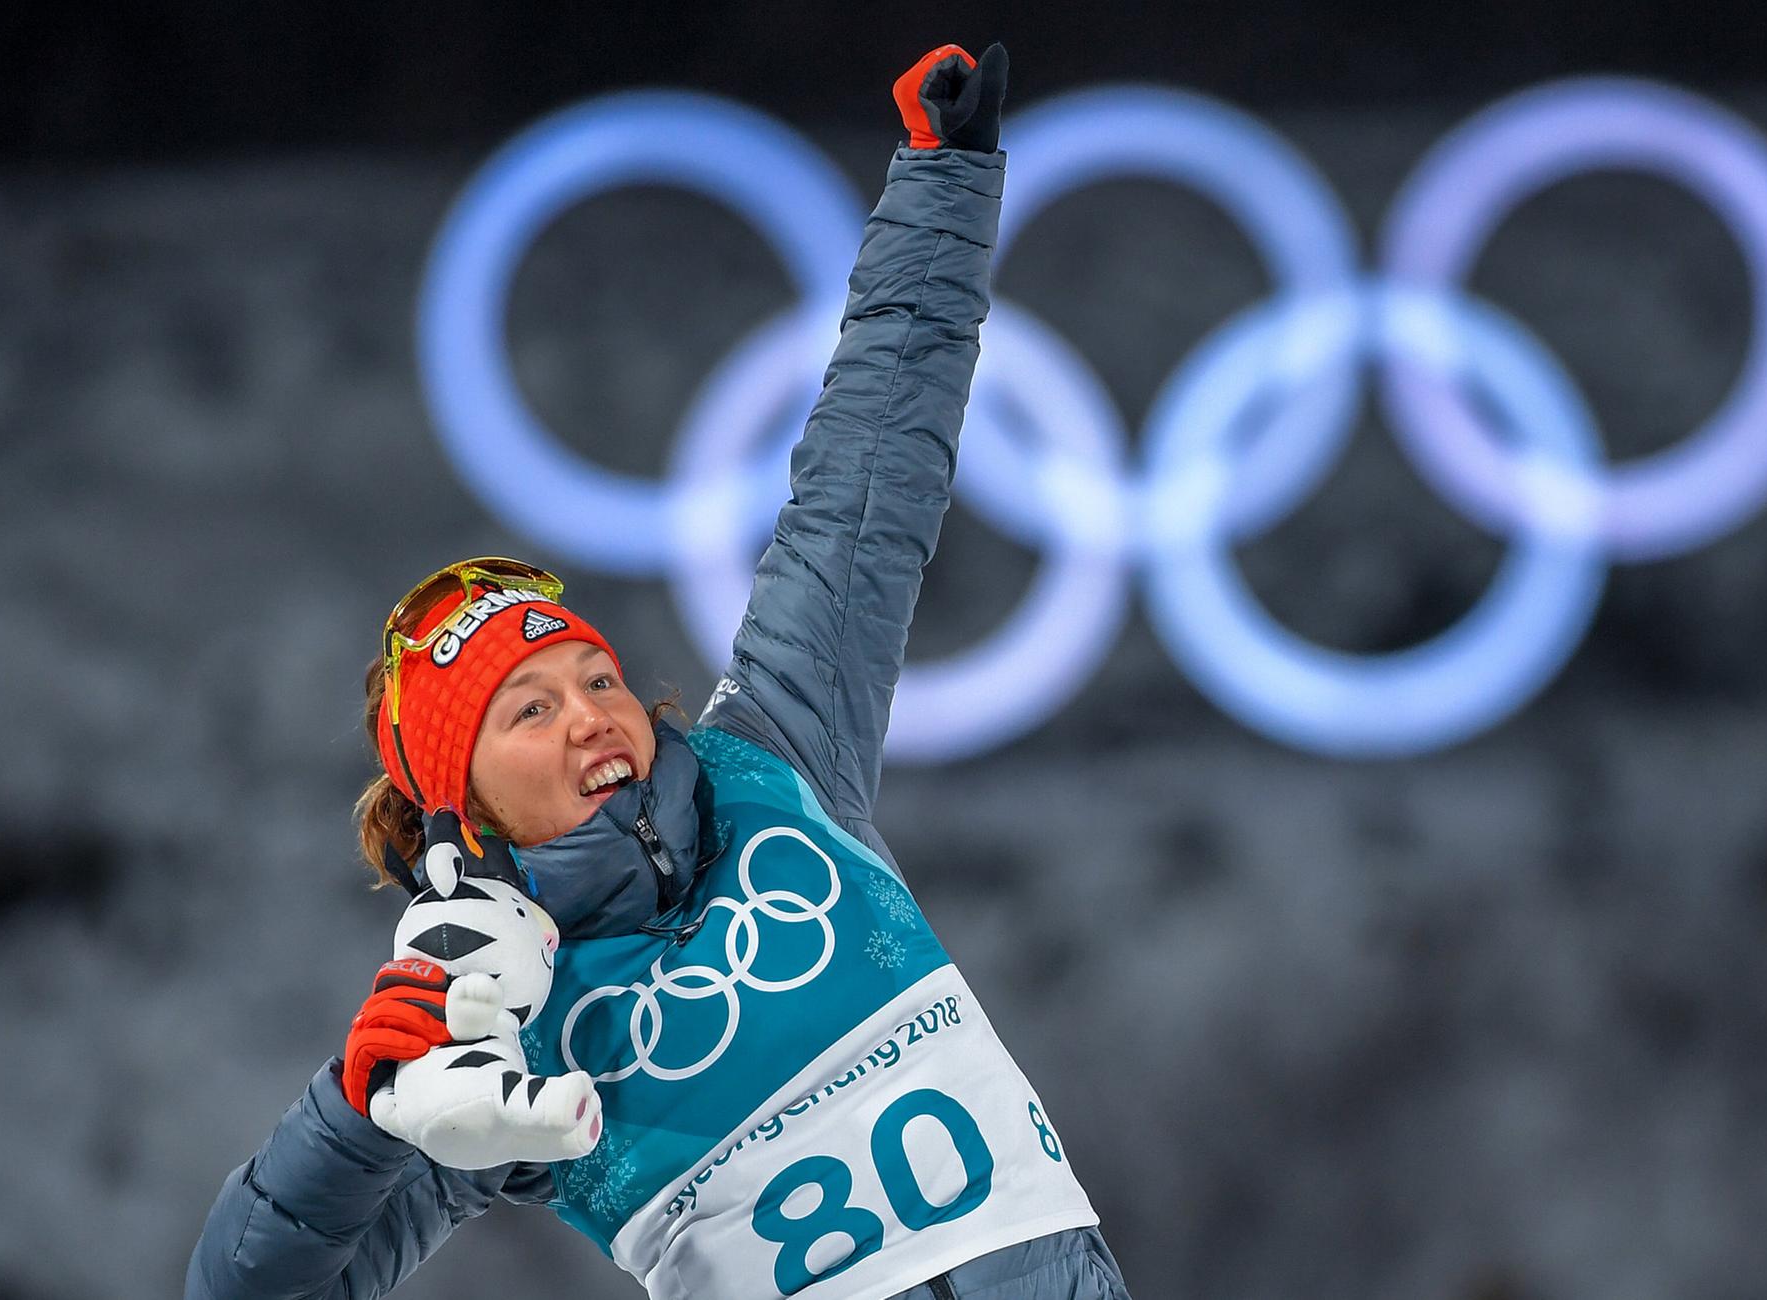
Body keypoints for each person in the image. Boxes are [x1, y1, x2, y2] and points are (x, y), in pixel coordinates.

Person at [186, 41, 1130, 1300]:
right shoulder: (489, 1034)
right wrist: (356, 1118)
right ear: (458, 809)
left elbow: (866, 473)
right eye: (529, 707)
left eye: (593, 676)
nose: (589, 715)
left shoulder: (776, 758)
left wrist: (940, 183)